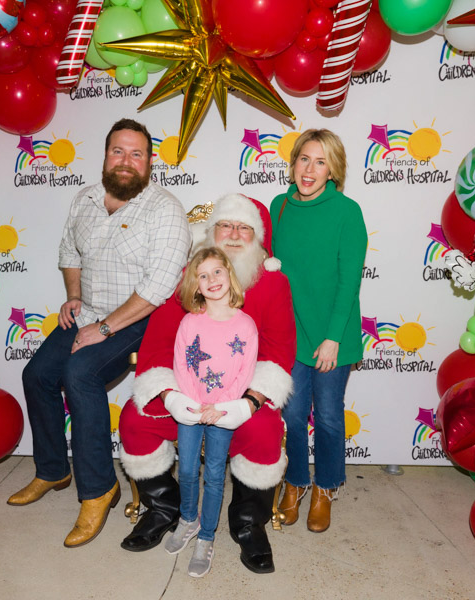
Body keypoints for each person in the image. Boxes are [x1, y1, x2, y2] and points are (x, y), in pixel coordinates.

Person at [7, 118, 191, 548]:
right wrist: (73, 296)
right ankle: (53, 469)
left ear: (150, 162)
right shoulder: (85, 198)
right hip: (88, 311)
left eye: (137, 154)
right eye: (118, 151)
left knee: (81, 374)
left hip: (140, 318)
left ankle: (98, 489)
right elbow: (69, 250)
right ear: (106, 155)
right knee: (36, 376)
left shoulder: (164, 208)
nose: (126, 161)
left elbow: (159, 285)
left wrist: (105, 328)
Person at [118, 193, 296, 574]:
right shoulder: (187, 280)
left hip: (240, 396)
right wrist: (169, 396)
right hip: (188, 393)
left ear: (259, 239)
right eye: (225, 225)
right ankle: (165, 508)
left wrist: (248, 403)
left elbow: (279, 354)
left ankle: (248, 523)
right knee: (135, 420)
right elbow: (158, 346)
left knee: (265, 430)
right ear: (211, 232)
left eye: (244, 227)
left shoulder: (274, 285)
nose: (233, 234)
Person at [271, 129, 367, 533]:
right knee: (292, 414)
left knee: (327, 417)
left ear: (333, 170)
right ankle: (294, 484)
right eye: (304, 159)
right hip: (291, 335)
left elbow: (349, 282)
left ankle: (326, 487)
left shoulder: (347, 211)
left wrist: (331, 338)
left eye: (320, 162)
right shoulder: (278, 206)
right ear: (293, 164)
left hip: (333, 334)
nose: (309, 170)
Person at [164, 247, 258, 577]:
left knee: (216, 474)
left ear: (229, 276)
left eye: (217, 272)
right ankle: (189, 520)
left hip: (222, 413)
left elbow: (244, 372)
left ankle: (206, 537)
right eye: (203, 276)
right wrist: (193, 403)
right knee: (187, 469)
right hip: (191, 409)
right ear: (196, 286)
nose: (211, 280)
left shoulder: (245, 325)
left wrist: (220, 407)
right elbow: (181, 364)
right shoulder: (190, 322)